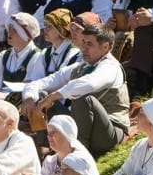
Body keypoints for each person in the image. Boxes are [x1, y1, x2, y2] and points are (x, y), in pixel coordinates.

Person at [21, 22, 130, 156]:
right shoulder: (81, 67)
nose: (83, 48)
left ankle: (78, 152)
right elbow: (43, 82)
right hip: (83, 126)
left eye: (89, 44)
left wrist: (54, 96)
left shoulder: (111, 67)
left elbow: (89, 84)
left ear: (105, 47)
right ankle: (44, 147)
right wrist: (29, 97)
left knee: (82, 98)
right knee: (41, 95)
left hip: (109, 131)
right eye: (83, 43)